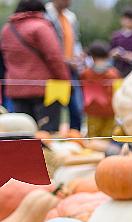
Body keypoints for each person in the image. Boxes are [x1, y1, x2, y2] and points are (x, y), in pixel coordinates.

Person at [1, 0, 70, 131]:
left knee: (23, 135)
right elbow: (54, 57)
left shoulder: (6, 29)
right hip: (44, 90)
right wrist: (65, 80)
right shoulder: (41, 27)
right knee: (47, 135)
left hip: (16, 89)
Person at [45, 0, 83, 131]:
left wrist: (78, 56)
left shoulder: (70, 17)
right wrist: (65, 60)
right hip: (55, 69)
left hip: (71, 68)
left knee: (76, 108)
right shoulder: (46, 15)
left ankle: (75, 136)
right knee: (55, 106)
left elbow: (75, 40)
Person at [80, 41, 120, 137]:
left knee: (93, 138)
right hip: (111, 111)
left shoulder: (86, 74)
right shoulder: (114, 74)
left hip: (93, 110)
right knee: (108, 138)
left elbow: (82, 90)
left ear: (92, 56)